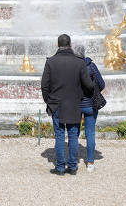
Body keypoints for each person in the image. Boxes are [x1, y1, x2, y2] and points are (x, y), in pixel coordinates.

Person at [41, 34, 94, 176]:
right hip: (74, 103)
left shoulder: (50, 62)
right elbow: (88, 85)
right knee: (72, 135)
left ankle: (59, 168)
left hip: (56, 104)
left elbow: (44, 86)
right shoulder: (79, 62)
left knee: (59, 135)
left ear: (57, 45)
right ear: (70, 44)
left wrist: (48, 101)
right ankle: (72, 167)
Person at [73, 45, 105, 172]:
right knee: (90, 134)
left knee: (74, 133)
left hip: (75, 105)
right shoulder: (91, 66)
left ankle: (74, 161)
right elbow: (102, 84)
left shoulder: (72, 67)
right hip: (90, 105)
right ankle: (90, 163)